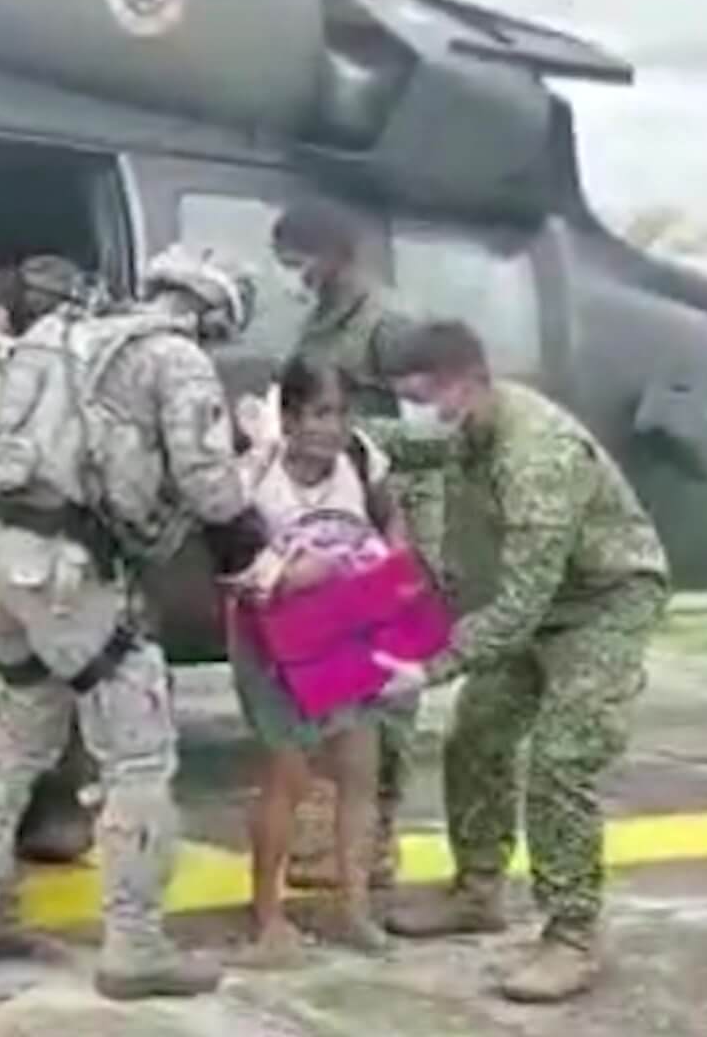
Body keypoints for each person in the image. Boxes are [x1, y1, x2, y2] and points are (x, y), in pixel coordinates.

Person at [0, 246, 266, 1001]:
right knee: (139, 758)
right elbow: (208, 487)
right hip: (69, 570)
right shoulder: (175, 358)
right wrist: (251, 519)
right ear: (210, 314)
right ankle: (135, 945)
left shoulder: (58, 333)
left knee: (18, 734)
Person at [368, 320, 670, 1003]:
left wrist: (431, 667)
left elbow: (519, 610)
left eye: (425, 396)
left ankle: (572, 936)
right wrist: (329, 432)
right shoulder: (472, 422)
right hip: (541, 601)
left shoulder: (536, 457)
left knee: (562, 760)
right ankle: (478, 890)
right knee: (476, 736)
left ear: (466, 381)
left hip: (604, 603)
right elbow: (420, 446)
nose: (421, 412)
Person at [269, 201, 441, 893]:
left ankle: (376, 840)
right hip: (340, 521)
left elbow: (438, 434)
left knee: (387, 692)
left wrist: (354, 442)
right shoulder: (321, 321)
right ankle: (326, 837)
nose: (291, 274)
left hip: (390, 518)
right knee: (331, 678)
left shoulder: (389, 326)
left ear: (334, 254)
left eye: (297, 259)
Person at [225, 356, 406, 967]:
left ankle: (351, 906)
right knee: (287, 773)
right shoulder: (255, 474)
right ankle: (267, 917)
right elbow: (231, 560)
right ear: (292, 417)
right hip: (270, 638)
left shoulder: (360, 459)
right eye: (321, 414)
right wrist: (290, 578)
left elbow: (391, 513)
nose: (333, 428)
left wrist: (394, 565)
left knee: (359, 764)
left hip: (341, 630)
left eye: (342, 414)